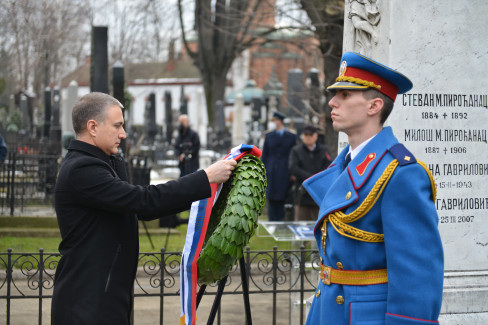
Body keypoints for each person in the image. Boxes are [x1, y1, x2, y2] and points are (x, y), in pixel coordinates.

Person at [51, 92, 236, 325]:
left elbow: (143, 208)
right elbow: (142, 201)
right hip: (87, 302)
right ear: (93, 127)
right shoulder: (83, 169)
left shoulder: (102, 162)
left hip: (105, 295)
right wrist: (205, 178)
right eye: (117, 126)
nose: (123, 134)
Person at [303, 52, 443, 324]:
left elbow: (417, 275)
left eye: (344, 95)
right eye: (335, 94)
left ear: (374, 106)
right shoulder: (344, 166)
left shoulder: (401, 174)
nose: (332, 102)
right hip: (328, 309)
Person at [289, 125, 331, 221]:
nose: (308, 137)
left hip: (319, 193)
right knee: (301, 223)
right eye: (305, 135)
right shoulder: (296, 150)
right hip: (302, 193)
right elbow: (294, 168)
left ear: (316, 136)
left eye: (310, 135)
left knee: (320, 222)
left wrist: (317, 179)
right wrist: (310, 178)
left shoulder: (323, 150)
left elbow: (328, 166)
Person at [261, 111, 297, 221]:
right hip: (272, 169)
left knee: (283, 194)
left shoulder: (291, 136)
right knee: (272, 195)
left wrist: (292, 172)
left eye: (275, 120)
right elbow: (265, 154)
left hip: (285, 169)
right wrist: (264, 170)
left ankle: (281, 221)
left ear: (279, 121)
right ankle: (272, 220)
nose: (274, 123)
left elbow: (293, 153)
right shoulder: (269, 136)